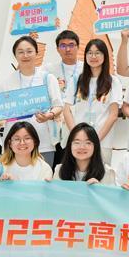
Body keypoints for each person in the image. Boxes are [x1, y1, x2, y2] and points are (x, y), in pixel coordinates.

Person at [0, 121, 53, 257]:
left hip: (33, 232)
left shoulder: (44, 168)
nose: (22, 143)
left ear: (35, 141)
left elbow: (44, 206)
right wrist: (3, 190)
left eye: (27, 138)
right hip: (7, 233)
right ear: (9, 143)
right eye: (16, 139)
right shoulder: (0, 168)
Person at [0, 36, 63, 166]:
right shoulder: (6, 82)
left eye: (29, 51)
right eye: (20, 52)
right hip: (14, 145)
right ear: (15, 55)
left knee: (43, 177)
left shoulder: (47, 78)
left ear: (36, 53)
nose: (25, 55)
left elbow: (58, 105)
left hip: (42, 143)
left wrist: (49, 115)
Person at [62, 39, 122, 165]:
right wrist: (76, 137)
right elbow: (66, 111)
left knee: (100, 174)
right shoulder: (77, 80)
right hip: (78, 142)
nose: (93, 56)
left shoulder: (113, 82)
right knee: (76, 174)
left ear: (104, 56)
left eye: (97, 53)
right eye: (90, 53)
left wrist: (95, 140)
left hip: (102, 141)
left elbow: (113, 115)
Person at [44, 30, 84, 167]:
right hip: (56, 124)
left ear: (78, 47)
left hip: (78, 123)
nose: (67, 49)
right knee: (57, 166)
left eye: (71, 45)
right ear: (57, 49)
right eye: (63, 45)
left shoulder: (86, 69)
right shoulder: (48, 70)